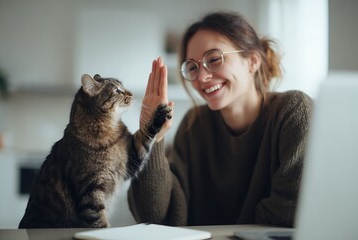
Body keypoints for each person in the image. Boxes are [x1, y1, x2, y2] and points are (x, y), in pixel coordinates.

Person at [128, 11, 313, 227]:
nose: (203, 78)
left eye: (214, 59)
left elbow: (289, 215)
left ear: (252, 61)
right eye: (192, 68)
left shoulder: (294, 112)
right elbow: (155, 217)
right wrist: (151, 136)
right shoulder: (193, 126)